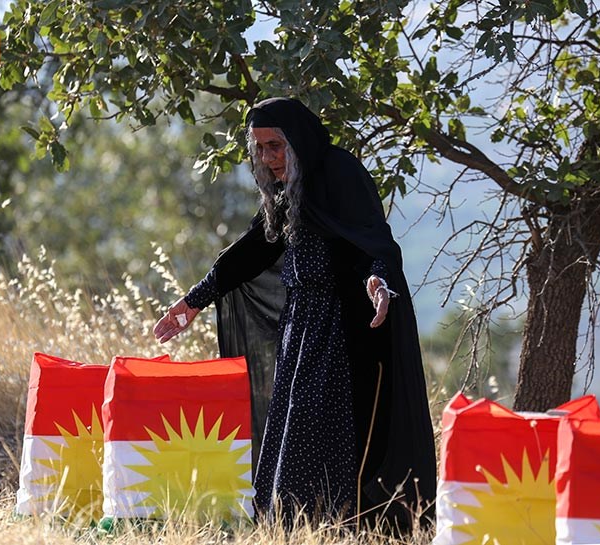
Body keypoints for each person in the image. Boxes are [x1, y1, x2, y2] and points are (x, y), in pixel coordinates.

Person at [153, 97, 435, 531]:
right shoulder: (290, 188)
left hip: (341, 333)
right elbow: (252, 250)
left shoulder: (340, 174)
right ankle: (289, 529)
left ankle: (337, 528)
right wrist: (193, 301)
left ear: (297, 141)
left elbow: (376, 244)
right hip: (299, 329)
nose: (267, 158)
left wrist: (378, 282)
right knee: (290, 434)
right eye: (260, 148)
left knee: (325, 436)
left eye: (276, 146)